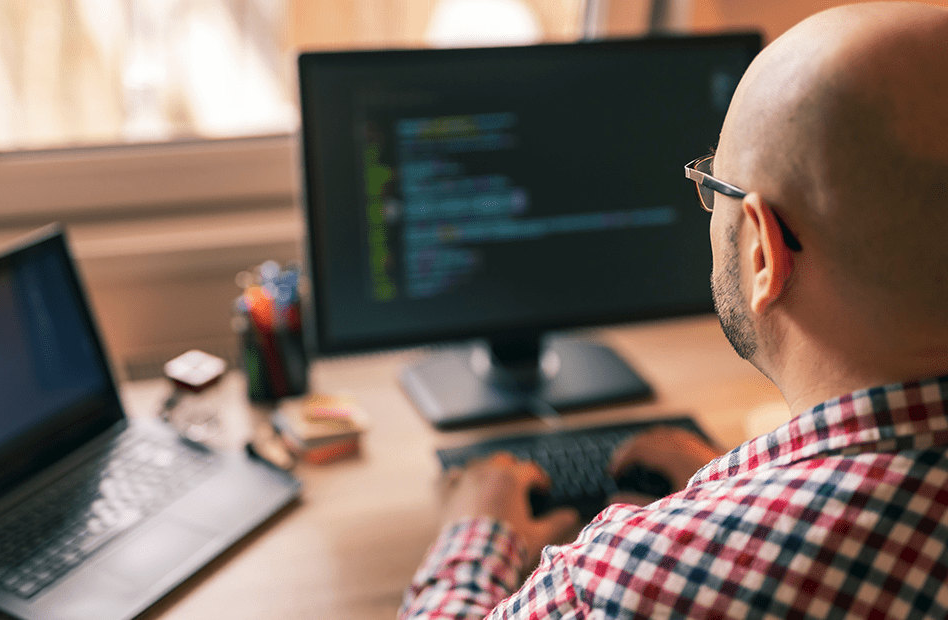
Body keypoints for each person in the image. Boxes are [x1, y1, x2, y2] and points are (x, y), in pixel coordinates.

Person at [398, 2, 948, 618]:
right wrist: (735, 487)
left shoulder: (628, 576)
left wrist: (472, 537)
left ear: (764, 249)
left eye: (713, 185)